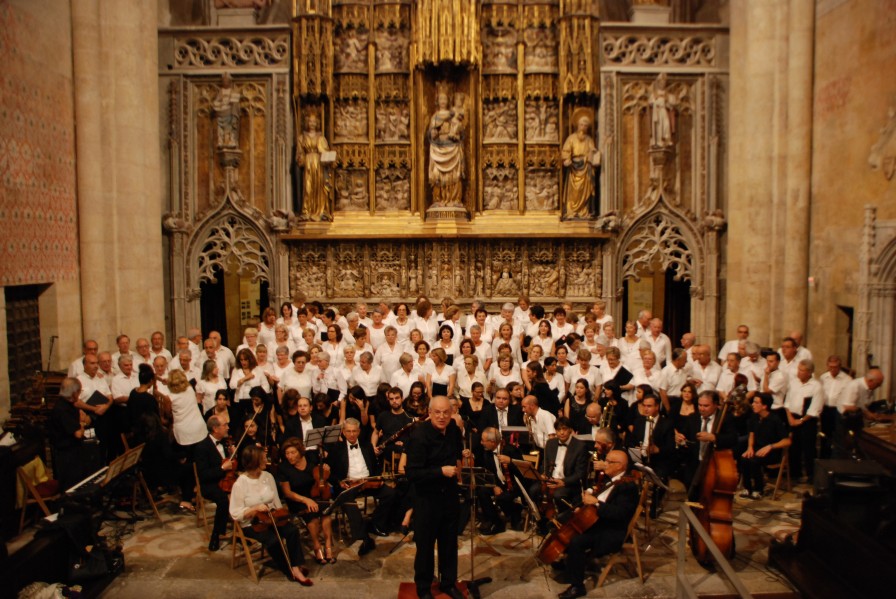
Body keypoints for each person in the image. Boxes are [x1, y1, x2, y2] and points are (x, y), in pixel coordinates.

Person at [557, 450, 639, 599]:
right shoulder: (611, 479)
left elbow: (620, 514)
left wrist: (596, 503)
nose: (604, 464)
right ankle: (570, 564)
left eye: (608, 462)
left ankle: (577, 587)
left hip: (611, 531)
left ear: (620, 466)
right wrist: (584, 505)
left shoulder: (628, 487)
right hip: (599, 522)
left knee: (576, 540)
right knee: (563, 521)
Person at [405, 396, 465, 599]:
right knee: (425, 547)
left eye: (446, 412)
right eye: (437, 412)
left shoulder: (453, 429)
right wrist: (440, 471)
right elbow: (412, 473)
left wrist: (459, 465)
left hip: (449, 496)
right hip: (426, 499)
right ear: (429, 413)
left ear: (451, 413)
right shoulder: (419, 435)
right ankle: (423, 588)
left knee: (449, 544)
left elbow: (458, 452)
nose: (441, 416)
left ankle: (448, 583)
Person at [229, 445, 312, 585]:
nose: (266, 460)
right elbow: (235, 513)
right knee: (273, 540)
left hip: (271, 517)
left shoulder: (268, 476)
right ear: (254, 461)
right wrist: (254, 509)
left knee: (292, 530)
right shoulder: (240, 484)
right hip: (252, 523)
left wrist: (281, 515)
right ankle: (289, 569)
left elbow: (276, 501)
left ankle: (296, 566)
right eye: (263, 458)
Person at [326, 418, 397, 554]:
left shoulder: (367, 445)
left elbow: (376, 466)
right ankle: (363, 538)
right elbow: (330, 473)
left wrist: (378, 478)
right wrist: (339, 482)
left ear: (358, 431)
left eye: (354, 431)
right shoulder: (336, 449)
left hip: (368, 482)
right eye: (348, 431)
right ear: (343, 432)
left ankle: (376, 524)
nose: (351, 434)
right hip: (349, 484)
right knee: (348, 503)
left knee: (391, 494)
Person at [277, 437, 336, 565]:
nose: (289, 456)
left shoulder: (311, 457)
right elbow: (287, 493)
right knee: (312, 517)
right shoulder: (283, 468)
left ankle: (328, 545)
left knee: (326, 513)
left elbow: (321, 472)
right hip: (298, 499)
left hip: (316, 493)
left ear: (300, 452)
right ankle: (316, 545)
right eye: (287, 453)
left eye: (293, 452)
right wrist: (306, 500)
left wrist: (325, 470)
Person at [194, 415, 236, 551]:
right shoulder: (202, 447)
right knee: (223, 500)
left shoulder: (226, 443)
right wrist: (222, 468)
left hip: (227, 480)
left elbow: (233, 465)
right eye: (225, 425)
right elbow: (203, 474)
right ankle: (216, 535)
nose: (228, 427)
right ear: (215, 429)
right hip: (210, 484)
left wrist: (233, 454)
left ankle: (242, 532)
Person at [738, 393, 791, 499]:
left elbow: (787, 441)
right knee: (744, 458)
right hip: (757, 449)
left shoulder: (775, 420)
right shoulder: (754, 417)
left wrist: (770, 446)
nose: (753, 405)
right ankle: (747, 488)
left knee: (754, 461)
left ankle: (758, 489)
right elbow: (751, 434)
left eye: (756, 402)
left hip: (772, 452)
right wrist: (750, 447)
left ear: (764, 406)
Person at [475, 427, 523, 533]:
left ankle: (515, 510)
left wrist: (510, 461)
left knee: (502, 497)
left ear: (492, 442)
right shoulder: (487, 452)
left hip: (514, 485)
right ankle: (495, 521)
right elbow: (489, 472)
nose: (481, 443)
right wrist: (494, 486)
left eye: (483, 440)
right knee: (481, 490)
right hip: (499, 483)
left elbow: (522, 472)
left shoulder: (511, 450)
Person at [783, 360, 825, 483]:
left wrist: (801, 420)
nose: (799, 372)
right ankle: (795, 474)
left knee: (808, 448)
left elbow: (815, 408)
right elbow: (787, 402)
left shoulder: (816, 386)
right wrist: (790, 418)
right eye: (799, 369)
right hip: (792, 418)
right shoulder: (794, 383)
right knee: (793, 448)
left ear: (809, 372)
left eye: (802, 370)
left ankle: (810, 475)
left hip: (807, 420)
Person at [540, 417, 590, 514]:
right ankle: (542, 518)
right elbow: (544, 464)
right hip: (550, 480)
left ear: (570, 430)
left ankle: (564, 518)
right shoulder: (550, 443)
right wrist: (544, 474)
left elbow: (580, 473)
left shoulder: (580, 446)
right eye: (558, 430)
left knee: (558, 495)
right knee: (533, 490)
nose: (561, 433)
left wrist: (563, 482)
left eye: (564, 429)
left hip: (568, 483)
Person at [428, 88, 466, 209]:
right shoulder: (435, 116)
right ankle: (439, 199)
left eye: (445, 98)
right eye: (441, 99)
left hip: (452, 147)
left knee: (454, 175)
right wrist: (433, 133)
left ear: (448, 100)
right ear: (437, 101)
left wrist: (456, 133)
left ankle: (454, 199)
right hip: (439, 148)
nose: (443, 101)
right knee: (437, 175)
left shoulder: (453, 114)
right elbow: (431, 133)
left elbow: (460, 129)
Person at [560, 115, 598, 219]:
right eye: (581, 125)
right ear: (577, 125)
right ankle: (571, 211)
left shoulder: (589, 139)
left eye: (585, 126)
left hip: (585, 168)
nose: (583, 127)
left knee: (586, 190)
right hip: (574, 168)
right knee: (573, 192)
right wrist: (566, 159)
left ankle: (584, 211)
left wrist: (592, 154)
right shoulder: (571, 138)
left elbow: (593, 152)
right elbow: (565, 151)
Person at [298, 114, 331, 221]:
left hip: (318, 164)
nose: (312, 124)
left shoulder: (321, 138)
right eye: (310, 121)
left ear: (317, 124)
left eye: (314, 122)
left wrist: (327, 156)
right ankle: (306, 211)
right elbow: (299, 153)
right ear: (307, 123)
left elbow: (326, 151)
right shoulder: (301, 138)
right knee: (308, 188)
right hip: (308, 164)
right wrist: (301, 158)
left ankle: (320, 211)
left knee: (319, 187)